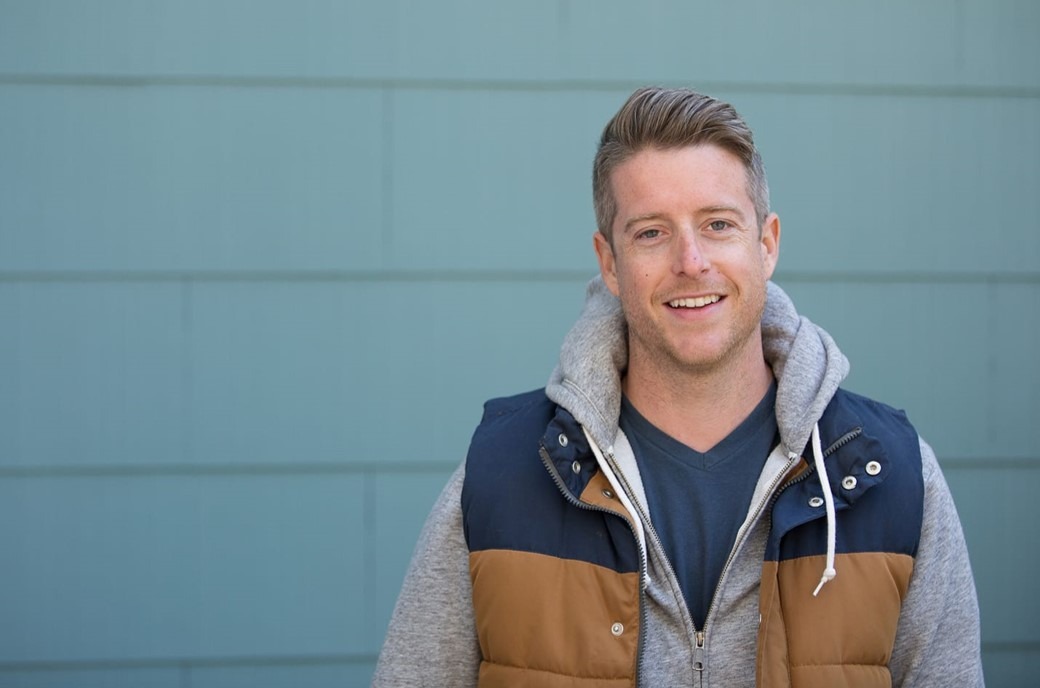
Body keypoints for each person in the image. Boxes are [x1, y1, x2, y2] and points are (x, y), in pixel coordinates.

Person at [372, 87, 984, 687]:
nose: (691, 261)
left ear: (766, 244)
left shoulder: (893, 480)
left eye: (718, 224)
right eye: (651, 233)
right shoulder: (501, 479)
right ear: (609, 262)